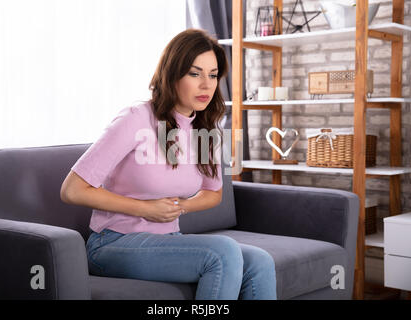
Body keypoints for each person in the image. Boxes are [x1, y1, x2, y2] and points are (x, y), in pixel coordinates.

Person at [60, 29, 277, 300]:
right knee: (223, 253)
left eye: (212, 75)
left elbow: (213, 193)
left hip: (167, 239)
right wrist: (145, 209)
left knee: (260, 262)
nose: (207, 85)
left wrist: (178, 207)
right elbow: (72, 189)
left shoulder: (203, 129)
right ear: (173, 73)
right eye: (195, 73)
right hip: (113, 243)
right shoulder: (136, 118)